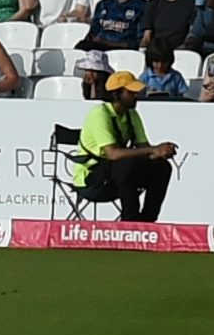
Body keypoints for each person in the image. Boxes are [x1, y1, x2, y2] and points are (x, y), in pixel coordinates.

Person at [73, 67, 178, 223]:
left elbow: (143, 149)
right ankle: (130, 221)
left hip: (116, 175)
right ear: (116, 94)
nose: (137, 96)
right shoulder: (99, 113)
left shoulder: (131, 114)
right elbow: (112, 154)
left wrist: (159, 152)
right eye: (131, 92)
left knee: (161, 167)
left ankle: (147, 221)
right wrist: (152, 150)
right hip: (91, 178)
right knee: (126, 164)